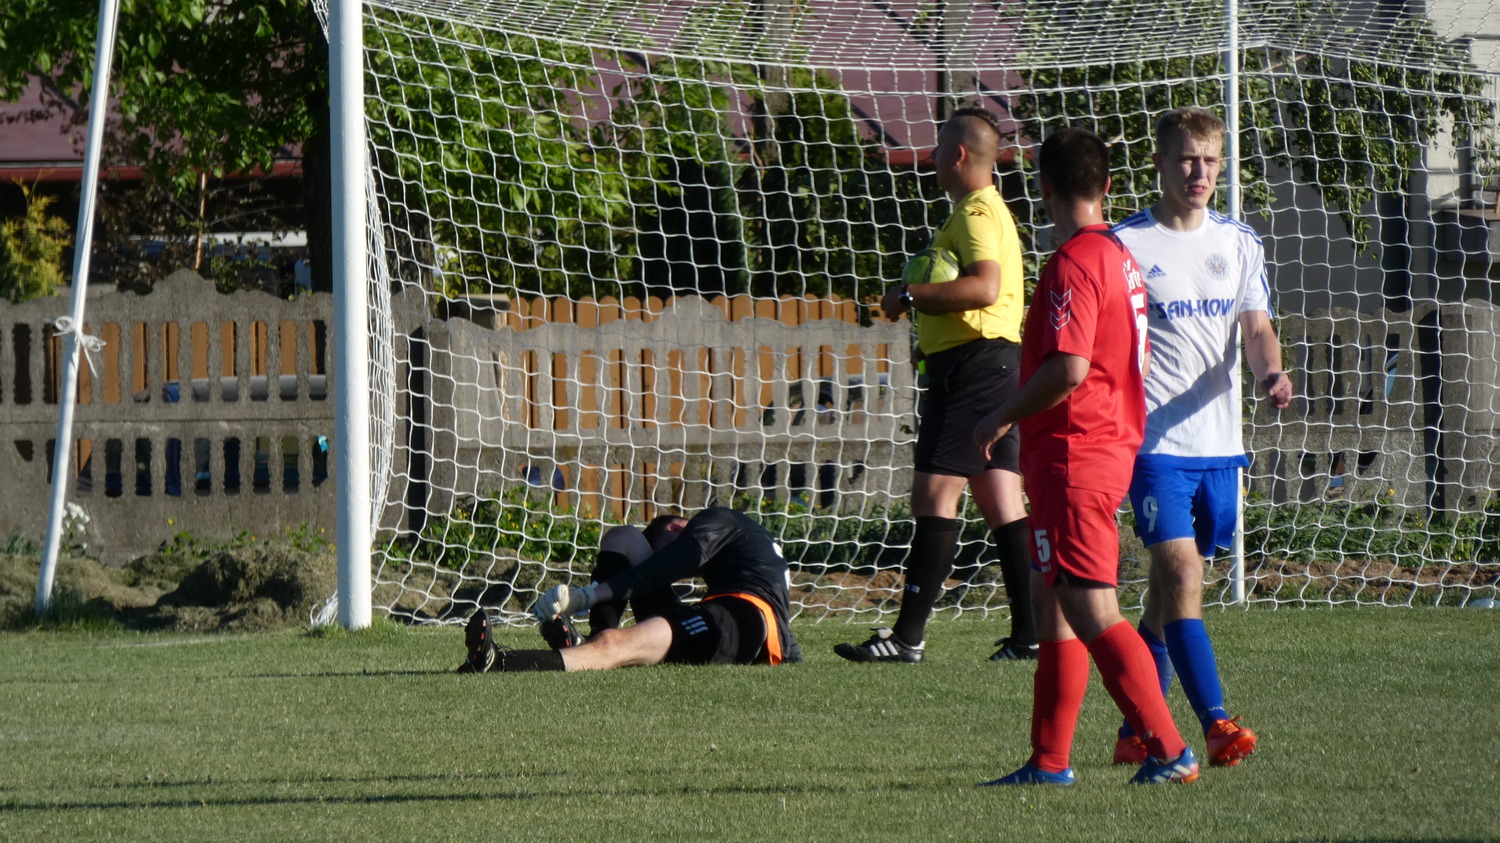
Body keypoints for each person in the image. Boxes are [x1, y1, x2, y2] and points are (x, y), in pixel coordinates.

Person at [972, 126, 1198, 785]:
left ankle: (1170, 750)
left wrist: (999, 416)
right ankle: (1049, 761)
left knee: (1092, 608)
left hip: (1077, 453)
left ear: (1042, 187)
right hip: (1098, 446)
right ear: (1108, 186)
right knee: (1052, 604)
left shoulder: (1074, 262)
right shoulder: (1120, 255)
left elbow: (1069, 367)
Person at [1109, 107, 1294, 768]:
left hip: (1219, 447)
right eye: (1188, 158)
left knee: (1171, 594)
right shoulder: (1124, 245)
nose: (1200, 171)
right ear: (1161, 163)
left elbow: (1257, 327)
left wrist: (1271, 372)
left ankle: (1136, 731)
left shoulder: (1238, 242)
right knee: (1182, 574)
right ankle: (1215, 724)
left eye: (1211, 160)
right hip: (1154, 446)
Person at [834, 104, 1037, 664]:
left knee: (934, 494)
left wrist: (909, 296)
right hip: (995, 362)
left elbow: (984, 288)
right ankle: (1029, 637)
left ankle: (907, 638)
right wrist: (936, 339)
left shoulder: (974, 212)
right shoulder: (989, 210)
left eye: (940, 145)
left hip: (976, 369)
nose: (932, 155)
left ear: (960, 154)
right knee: (1000, 497)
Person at [456, 507, 803, 673]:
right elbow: (649, 564)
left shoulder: (716, 519)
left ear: (676, 527)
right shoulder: (744, 548)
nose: (683, 575)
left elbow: (662, 569)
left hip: (737, 620)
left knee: (613, 645)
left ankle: (498, 663)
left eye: (660, 549)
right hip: (721, 616)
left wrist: (586, 596)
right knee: (623, 537)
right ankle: (588, 640)